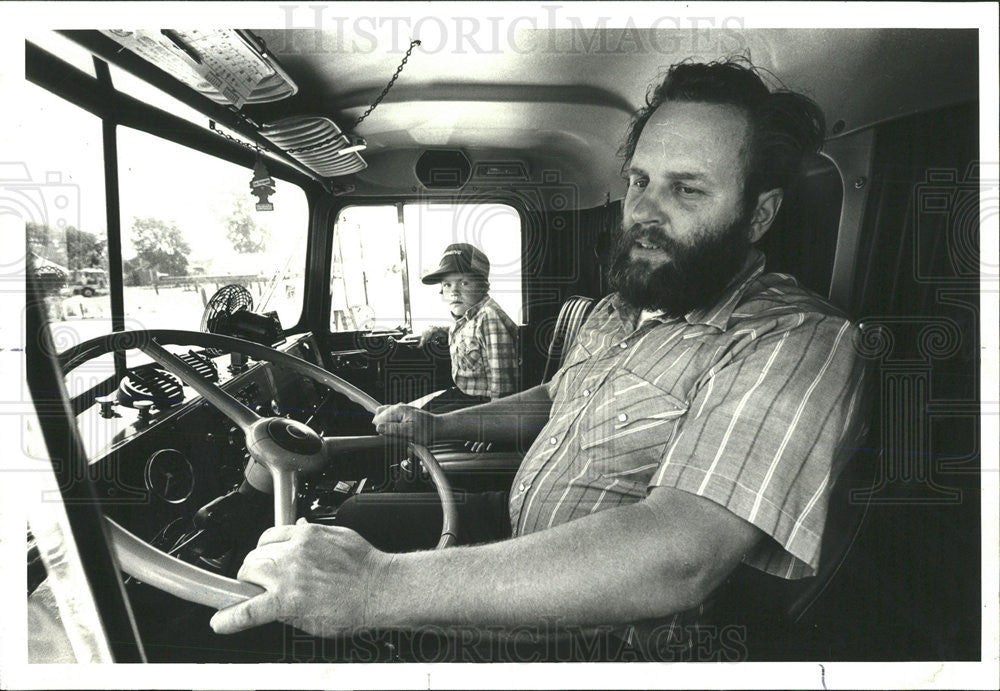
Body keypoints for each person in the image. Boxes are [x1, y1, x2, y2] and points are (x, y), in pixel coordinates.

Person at [209, 58, 868, 656]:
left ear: (759, 215)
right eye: (640, 182)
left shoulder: (795, 340)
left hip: (601, 636)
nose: (645, 211)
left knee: (290, 637)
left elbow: (681, 555)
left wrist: (378, 586)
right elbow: (555, 398)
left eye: (687, 191)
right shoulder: (625, 308)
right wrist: (443, 427)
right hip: (513, 526)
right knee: (321, 535)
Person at [413, 243, 519, 413]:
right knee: (416, 414)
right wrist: (436, 330)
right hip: (464, 394)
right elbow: (469, 334)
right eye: (447, 285)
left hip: (484, 403)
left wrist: (492, 425)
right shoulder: (466, 316)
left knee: (419, 424)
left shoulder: (489, 317)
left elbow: (504, 385)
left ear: (482, 286)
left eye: (463, 283)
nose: (454, 292)